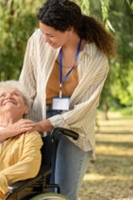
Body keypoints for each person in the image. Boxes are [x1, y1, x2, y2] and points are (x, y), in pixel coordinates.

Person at [19, 0, 115, 199]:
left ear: (70, 29)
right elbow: (26, 83)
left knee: (63, 192)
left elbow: (86, 107)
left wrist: (51, 123)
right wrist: (18, 119)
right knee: (32, 189)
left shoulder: (97, 59)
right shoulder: (38, 40)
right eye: (43, 32)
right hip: (39, 117)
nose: (45, 39)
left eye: (50, 35)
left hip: (75, 127)